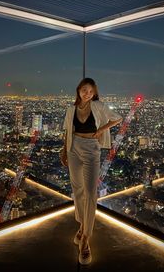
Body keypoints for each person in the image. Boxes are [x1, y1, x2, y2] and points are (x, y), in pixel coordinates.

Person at [60, 78, 122, 265]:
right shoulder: (71, 109)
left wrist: (101, 129)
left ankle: (86, 238)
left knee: (90, 193)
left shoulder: (98, 106)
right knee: (77, 190)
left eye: (91, 91)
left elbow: (117, 118)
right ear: (79, 90)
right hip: (73, 148)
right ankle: (82, 226)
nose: (88, 93)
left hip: (91, 149)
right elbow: (67, 132)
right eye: (85, 90)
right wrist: (64, 151)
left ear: (94, 93)